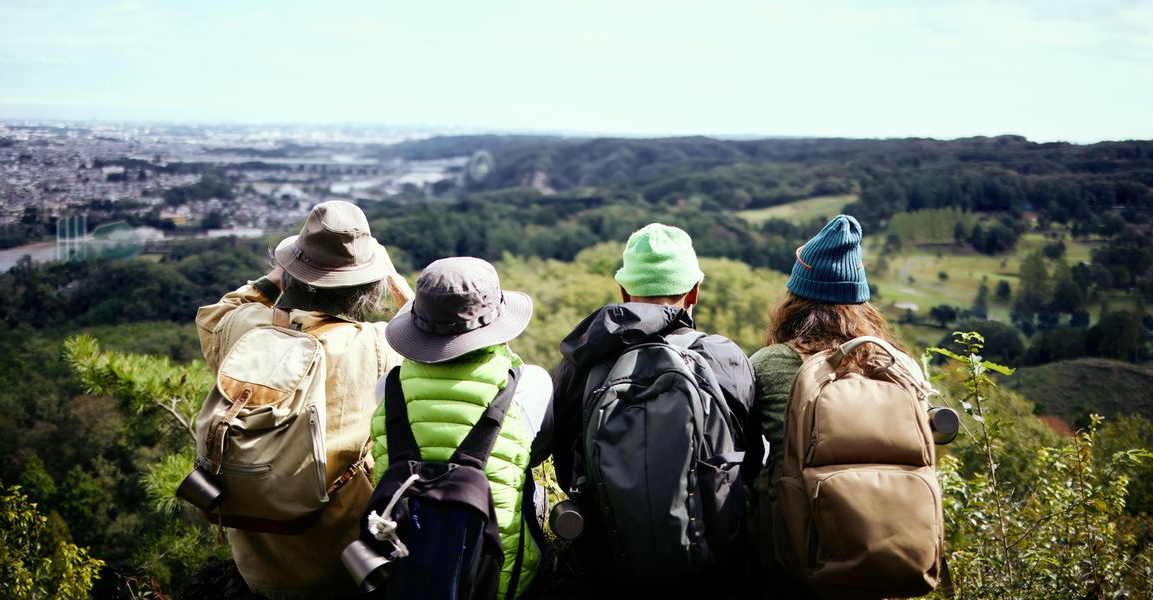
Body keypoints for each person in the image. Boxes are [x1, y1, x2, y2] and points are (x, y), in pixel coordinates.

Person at [196, 200, 413, 599]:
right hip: (345, 563)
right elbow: (430, 339)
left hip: (259, 567)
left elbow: (220, 311)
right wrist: (397, 283)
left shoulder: (242, 329)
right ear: (366, 284)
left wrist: (282, 273)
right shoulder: (376, 346)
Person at [550, 222, 761, 595]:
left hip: (607, 564)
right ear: (694, 292)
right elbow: (751, 461)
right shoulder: (722, 357)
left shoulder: (582, 362)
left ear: (624, 292)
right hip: (714, 565)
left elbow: (566, 466)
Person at [368, 256, 552, 599]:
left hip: (404, 575)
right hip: (497, 583)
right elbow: (539, 451)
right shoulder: (529, 384)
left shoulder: (388, 389)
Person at [750, 214, 899, 466]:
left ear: (794, 298)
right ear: (862, 302)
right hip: (894, 502)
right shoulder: (893, 363)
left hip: (796, 503)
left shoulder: (769, 363)